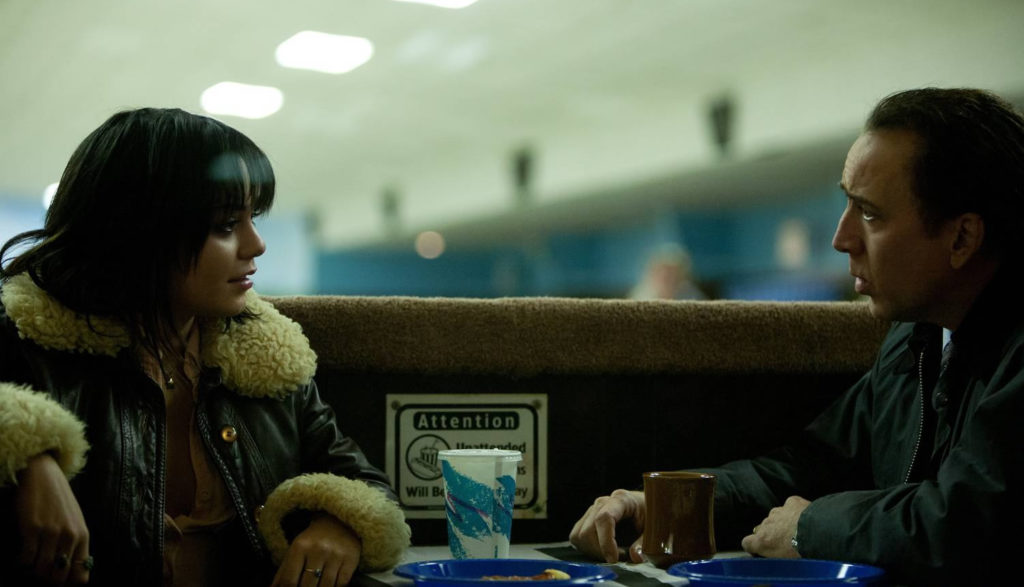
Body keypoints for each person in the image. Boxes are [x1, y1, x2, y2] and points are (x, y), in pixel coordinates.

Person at [569, 87, 1024, 586]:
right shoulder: (914, 339)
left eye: (869, 214)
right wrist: (667, 507)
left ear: (962, 237)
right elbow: (810, 467)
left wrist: (810, 528)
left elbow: (969, 522)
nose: (841, 239)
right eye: (847, 205)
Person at [0, 108, 411, 586]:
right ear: (138, 230)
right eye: (224, 224)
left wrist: (340, 525)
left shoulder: (266, 360)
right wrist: (26, 457)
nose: (256, 244)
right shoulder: (27, 341)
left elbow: (368, 488)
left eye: (252, 218)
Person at [628, 244, 706, 300]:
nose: (667, 276)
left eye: (673, 273)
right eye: (662, 271)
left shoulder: (691, 296)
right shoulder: (641, 296)